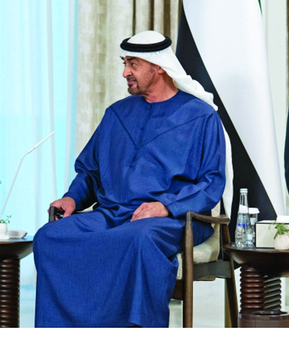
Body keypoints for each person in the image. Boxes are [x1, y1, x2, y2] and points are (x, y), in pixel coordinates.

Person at [33, 30, 231, 327]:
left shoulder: (201, 117)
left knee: (139, 237)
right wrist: (73, 198)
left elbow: (211, 182)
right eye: (124, 63)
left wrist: (165, 207)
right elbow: (91, 171)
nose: (125, 72)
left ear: (158, 66)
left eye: (133, 64)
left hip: (175, 219)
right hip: (113, 213)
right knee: (49, 237)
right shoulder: (116, 114)